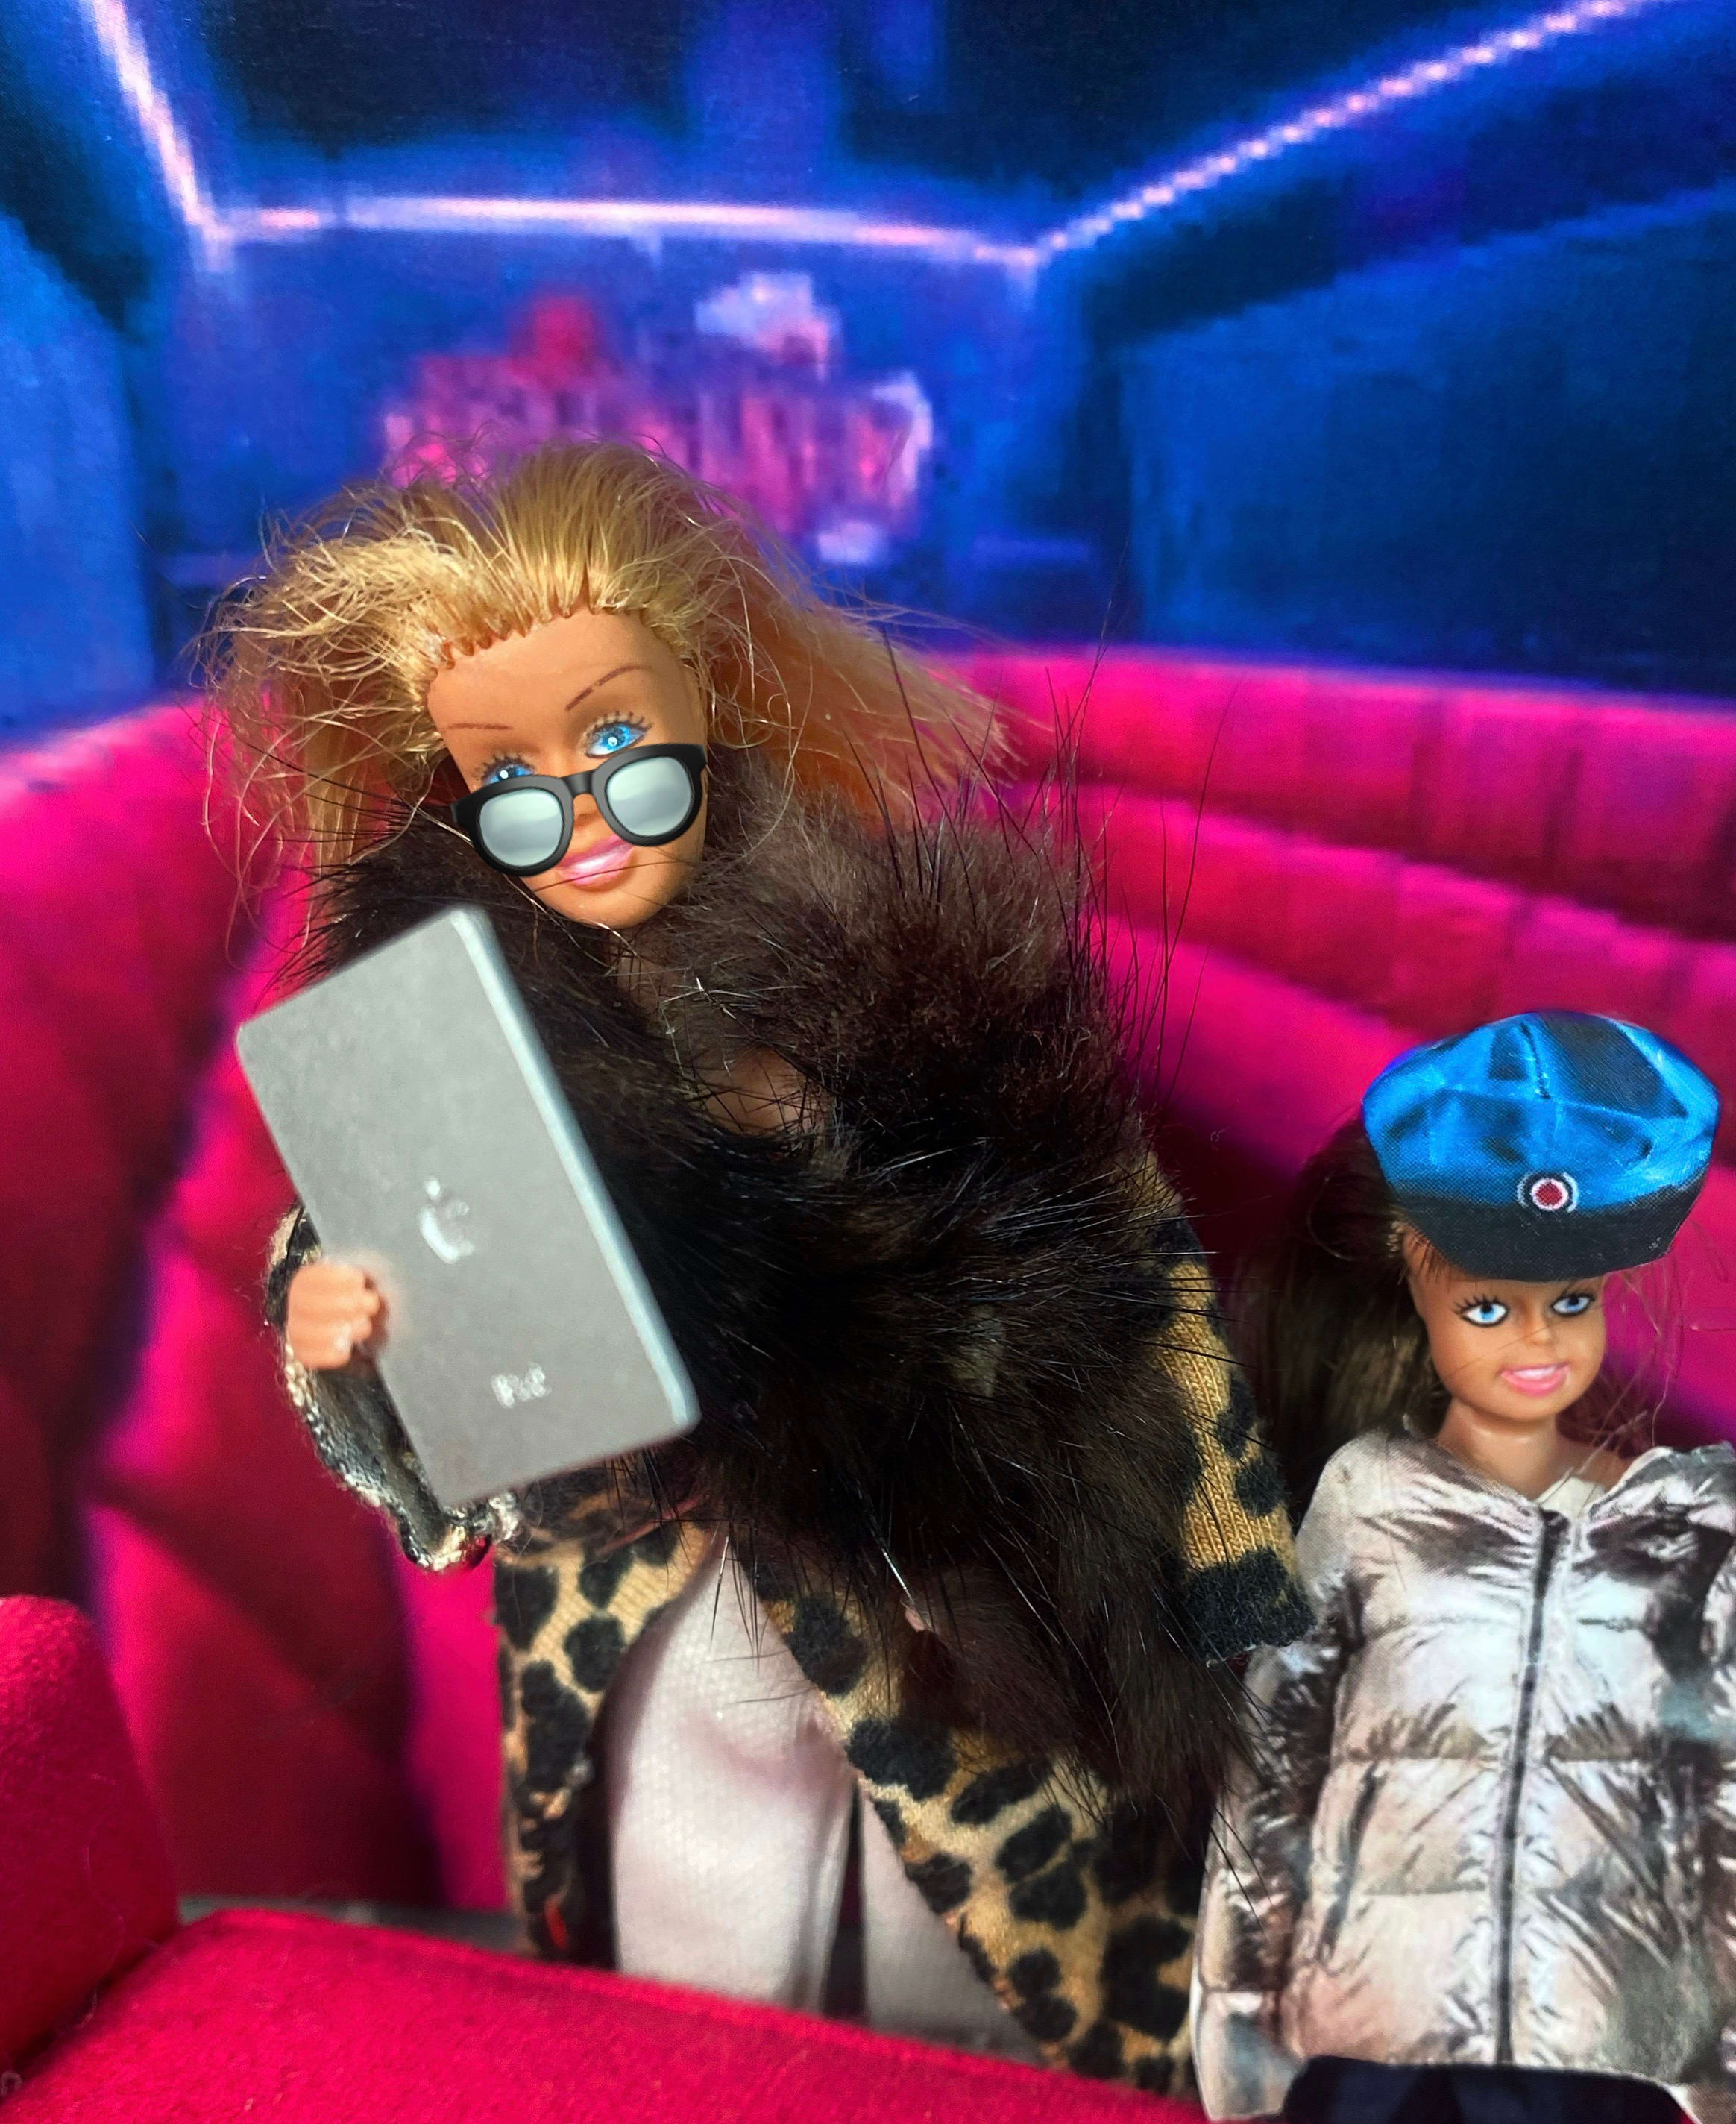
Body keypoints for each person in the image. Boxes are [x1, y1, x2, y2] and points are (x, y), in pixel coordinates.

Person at [211, 439, 1308, 2092]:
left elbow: (1130, 1273)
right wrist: (336, 1312)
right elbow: (400, 1238)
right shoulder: (457, 1027)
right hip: (653, 1598)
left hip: (920, 1587)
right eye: (515, 781)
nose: (582, 819)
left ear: (709, 711)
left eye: (619, 747)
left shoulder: (915, 968)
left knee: (948, 1988)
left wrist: (1228, 1574)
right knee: (702, 1983)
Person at [1193, 1012, 1736, 2124]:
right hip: (1383, 2030)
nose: (1539, 1342)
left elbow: (1733, 1798)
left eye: (1572, 1302)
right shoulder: (1369, 1506)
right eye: (1486, 1308)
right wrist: (1239, 2024)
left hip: (1603, 2042)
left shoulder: (1684, 1528)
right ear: (1415, 1299)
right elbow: (1274, 1771)